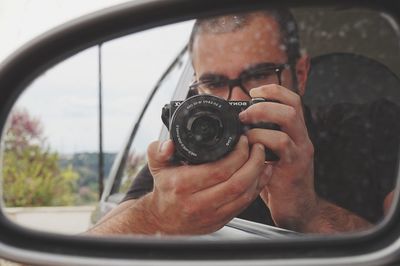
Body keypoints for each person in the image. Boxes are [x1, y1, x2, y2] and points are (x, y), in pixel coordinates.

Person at [88, 9, 399, 235]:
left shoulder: (372, 130)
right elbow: (89, 247)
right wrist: (155, 217)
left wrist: (309, 212)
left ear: (300, 75)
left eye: (259, 75)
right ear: (194, 88)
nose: (235, 100)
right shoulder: (183, 158)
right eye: (213, 84)